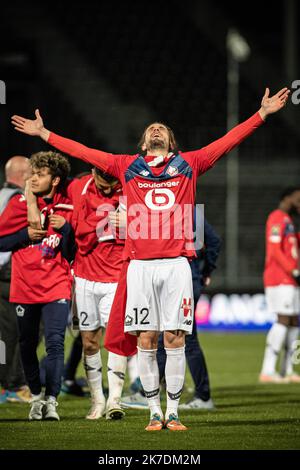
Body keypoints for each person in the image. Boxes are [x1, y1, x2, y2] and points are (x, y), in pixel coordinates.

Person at [11, 86, 290, 431]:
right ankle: (153, 412)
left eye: (162, 129)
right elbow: (83, 151)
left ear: (172, 143)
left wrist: (260, 114)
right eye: (151, 130)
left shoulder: (189, 164)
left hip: (175, 265)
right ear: (144, 144)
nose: (156, 130)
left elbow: (228, 141)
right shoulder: (126, 167)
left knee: (175, 338)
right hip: (139, 268)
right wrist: (45, 134)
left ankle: (173, 413)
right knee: (145, 339)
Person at [0, 151, 74, 421]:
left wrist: (66, 230)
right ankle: (35, 397)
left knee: (55, 343)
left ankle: (52, 400)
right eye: (32, 173)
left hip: (56, 286)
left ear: (54, 180)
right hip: (24, 288)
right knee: (27, 344)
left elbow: (71, 251)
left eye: (40, 175)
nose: (32, 179)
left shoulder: (67, 206)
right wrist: (24, 235)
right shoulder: (19, 204)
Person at [67, 167, 129, 420]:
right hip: (84, 277)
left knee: (115, 340)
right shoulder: (78, 187)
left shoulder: (130, 192)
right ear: (93, 173)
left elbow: (148, 228)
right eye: (102, 183)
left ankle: (115, 399)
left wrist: (131, 222)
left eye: (111, 184)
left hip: (115, 278)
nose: (106, 189)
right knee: (89, 341)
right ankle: (97, 400)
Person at [157, 218, 221, 410]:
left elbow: (214, 241)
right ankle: (151, 390)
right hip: (187, 279)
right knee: (168, 337)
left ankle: (203, 396)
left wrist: (204, 271)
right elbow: (214, 241)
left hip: (182, 282)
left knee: (182, 338)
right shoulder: (189, 210)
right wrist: (206, 270)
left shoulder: (178, 209)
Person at [259, 187, 300, 383]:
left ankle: (288, 370)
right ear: (287, 198)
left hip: (290, 279)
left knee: (293, 321)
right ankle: (267, 371)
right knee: (283, 319)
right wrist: (293, 270)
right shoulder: (277, 217)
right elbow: (275, 250)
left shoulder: (289, 221)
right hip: (279, 277)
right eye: (298, 198)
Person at [0, 156, 31, 404]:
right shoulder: (18, 200)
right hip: (9, 274)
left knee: (4, 333)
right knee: (22, 331)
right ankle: (15, 383)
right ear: (24, 173)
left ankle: (4, 382)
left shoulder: (0, 195)